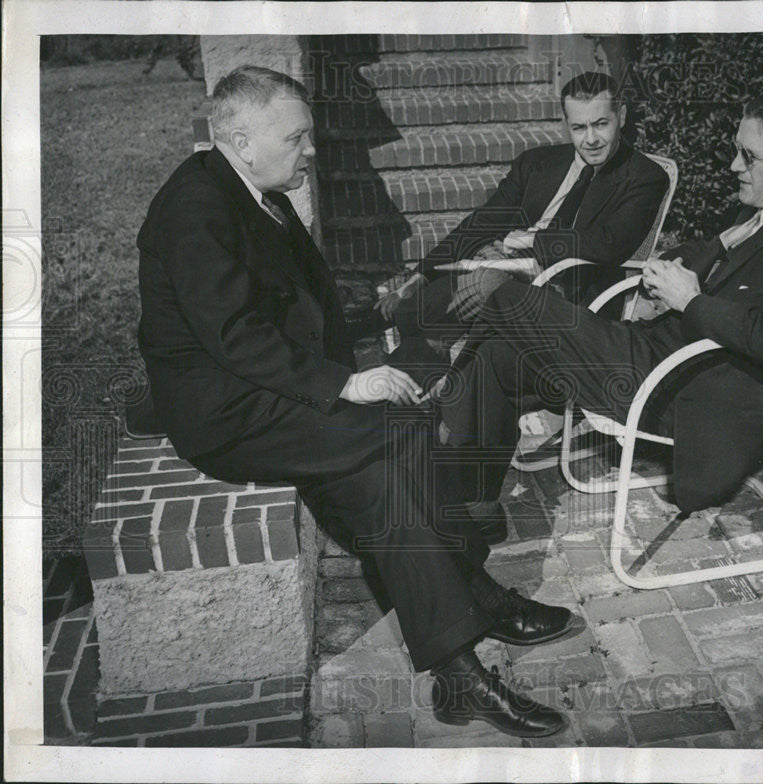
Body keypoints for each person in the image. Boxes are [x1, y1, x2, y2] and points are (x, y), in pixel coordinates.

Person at [136, 65, 580, 738]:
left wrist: (367, 328)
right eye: (298, 137)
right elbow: (233, 334)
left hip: (266, 388)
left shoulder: (256, 188)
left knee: (382, 467)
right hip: (227, 410)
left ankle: (457, 664)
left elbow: (297, 300)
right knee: (395, 433)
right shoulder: (194, 209)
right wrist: (344, 384)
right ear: (240, 139)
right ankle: (475, 605)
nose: (312, 151)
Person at [438, 91, 763, 519]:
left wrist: (689, 299)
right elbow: (706, 259)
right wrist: (683, 265)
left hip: (685, 389)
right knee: (497, 352)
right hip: (650, 350)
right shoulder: (759, 208)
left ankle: (440, 404)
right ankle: (472, 503)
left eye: (748, 157)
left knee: (508, 297)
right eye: (735, 151)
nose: (734, 166)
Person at [375, 71, 670, 345]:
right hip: (500, 263)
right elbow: (483, 222)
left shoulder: (644, 177)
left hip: (569, 289)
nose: (590, 139)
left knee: (490, 284)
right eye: (579, 127)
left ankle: (398, 322)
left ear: (621, 116)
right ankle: (420, 340)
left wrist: (533, 240)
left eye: (600, 124)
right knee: (480, 278)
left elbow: (608, 244)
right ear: (566, 125)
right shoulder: (538, 163)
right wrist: (422, 274)